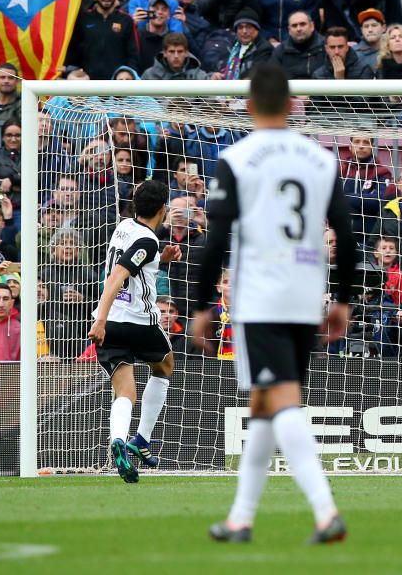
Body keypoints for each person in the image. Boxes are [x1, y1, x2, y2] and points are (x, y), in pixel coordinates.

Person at [192, 65, 356, 544]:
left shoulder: (238, 159)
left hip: (260, 297)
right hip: (306, 295)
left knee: (281, 398)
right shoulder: (320, 159)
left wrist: (202, 304)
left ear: (248, 106)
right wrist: (343, 299)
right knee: (263, 402)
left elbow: (217, 237)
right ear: (291, 105)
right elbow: (346, 237)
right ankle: (241, 519)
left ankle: (327, 513)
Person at [87, 180, 182, 483]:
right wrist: (99, 320)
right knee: (165, 363)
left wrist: (159, 259)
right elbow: (118, 274)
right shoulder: (148, 241)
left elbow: (132, 261)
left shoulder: (124, 227)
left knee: (125, 391)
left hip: (112, 323)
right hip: (136, 321)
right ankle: (141, 439)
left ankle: (118, 440)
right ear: (163, 209)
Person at [65, 0, 139, 80]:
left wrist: (127, 73)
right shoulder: (82, 19)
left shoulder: (126, 20)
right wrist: (74, 71)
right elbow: (72, 52)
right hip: (88, 84)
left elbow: (133, 54)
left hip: (117, 85)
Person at [270, 10, 326, 79]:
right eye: (294, 26)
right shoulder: (280, 51)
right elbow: (271, 78)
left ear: (312, 26)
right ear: (289, 30)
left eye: (302, 24)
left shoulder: (326, 46)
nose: (298, 29)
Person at [142, 32, 211, 80]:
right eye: (171, 51)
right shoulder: (149, 76)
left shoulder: (199, 76)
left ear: (186, 53)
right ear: (164, 53)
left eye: (180, 51)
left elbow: (212, 99)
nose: (176, 56)